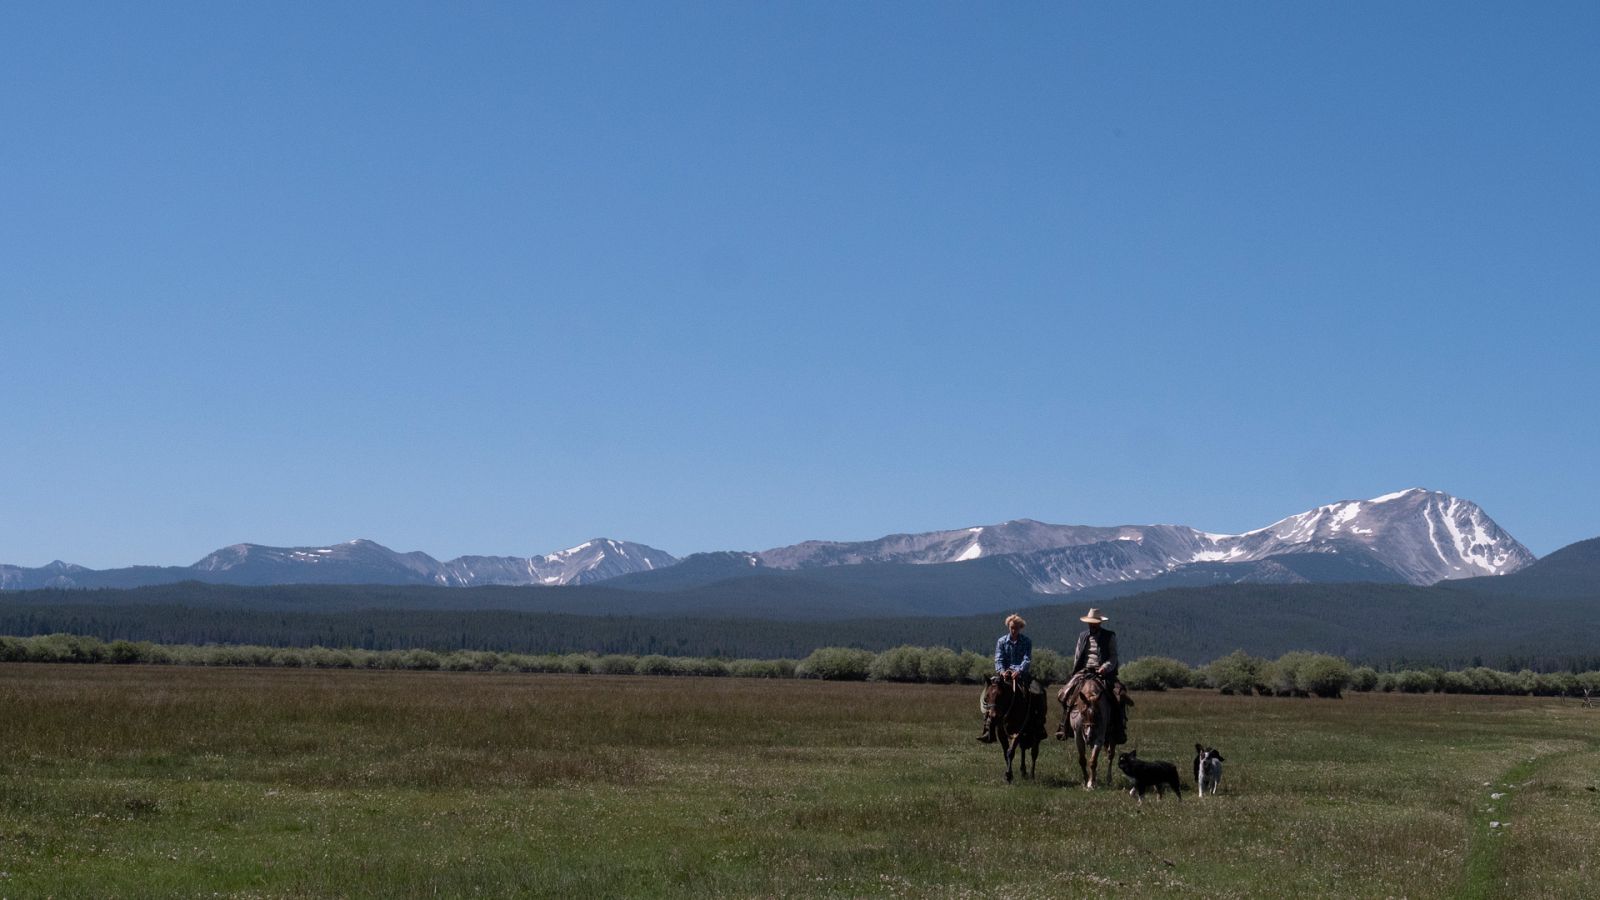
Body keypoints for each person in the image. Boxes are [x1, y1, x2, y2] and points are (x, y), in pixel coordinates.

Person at [1059, 607, 1124, 742]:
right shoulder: (1083, 636)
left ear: (1100, 623)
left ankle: (1118, 728)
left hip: (1104, 673)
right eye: (1090, 622)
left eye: (1095, 622)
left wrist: (1105, 667)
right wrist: (1075, 672)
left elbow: (1113, 657)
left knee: (1119, 696)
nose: (1092, 625)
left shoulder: (1109, 636)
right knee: (1064, 694)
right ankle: (1064, 725)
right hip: (1085, 671)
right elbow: (1077, 656)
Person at [978, 614, 1035, 742]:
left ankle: (1036, 724)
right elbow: (998, 659)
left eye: (1016, 628)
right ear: (1008, 627)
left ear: (1020, 628)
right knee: (990, 693)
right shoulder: (1001, 641)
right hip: (1004, 675)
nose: (1013, 630)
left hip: (1021, 675)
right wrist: (1002, 671)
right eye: (1011, 628)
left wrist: (1019, 671)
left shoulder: (1027, 641)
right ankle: (988, 729)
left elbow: (1027, 659)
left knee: (1036, 692)